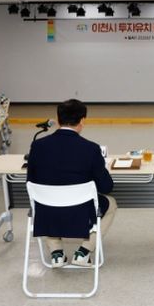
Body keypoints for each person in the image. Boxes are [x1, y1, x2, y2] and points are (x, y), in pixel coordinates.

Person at [26, 99, 116, 267]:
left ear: (58, 119)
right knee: (111, 203)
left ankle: (56, 254)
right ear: (82, 121)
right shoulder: (91, 148)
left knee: (47, 201)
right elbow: (106, 187)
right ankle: (83, 252)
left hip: (46, 211)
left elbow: (30, 181)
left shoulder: (37, 146)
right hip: (81, 212)